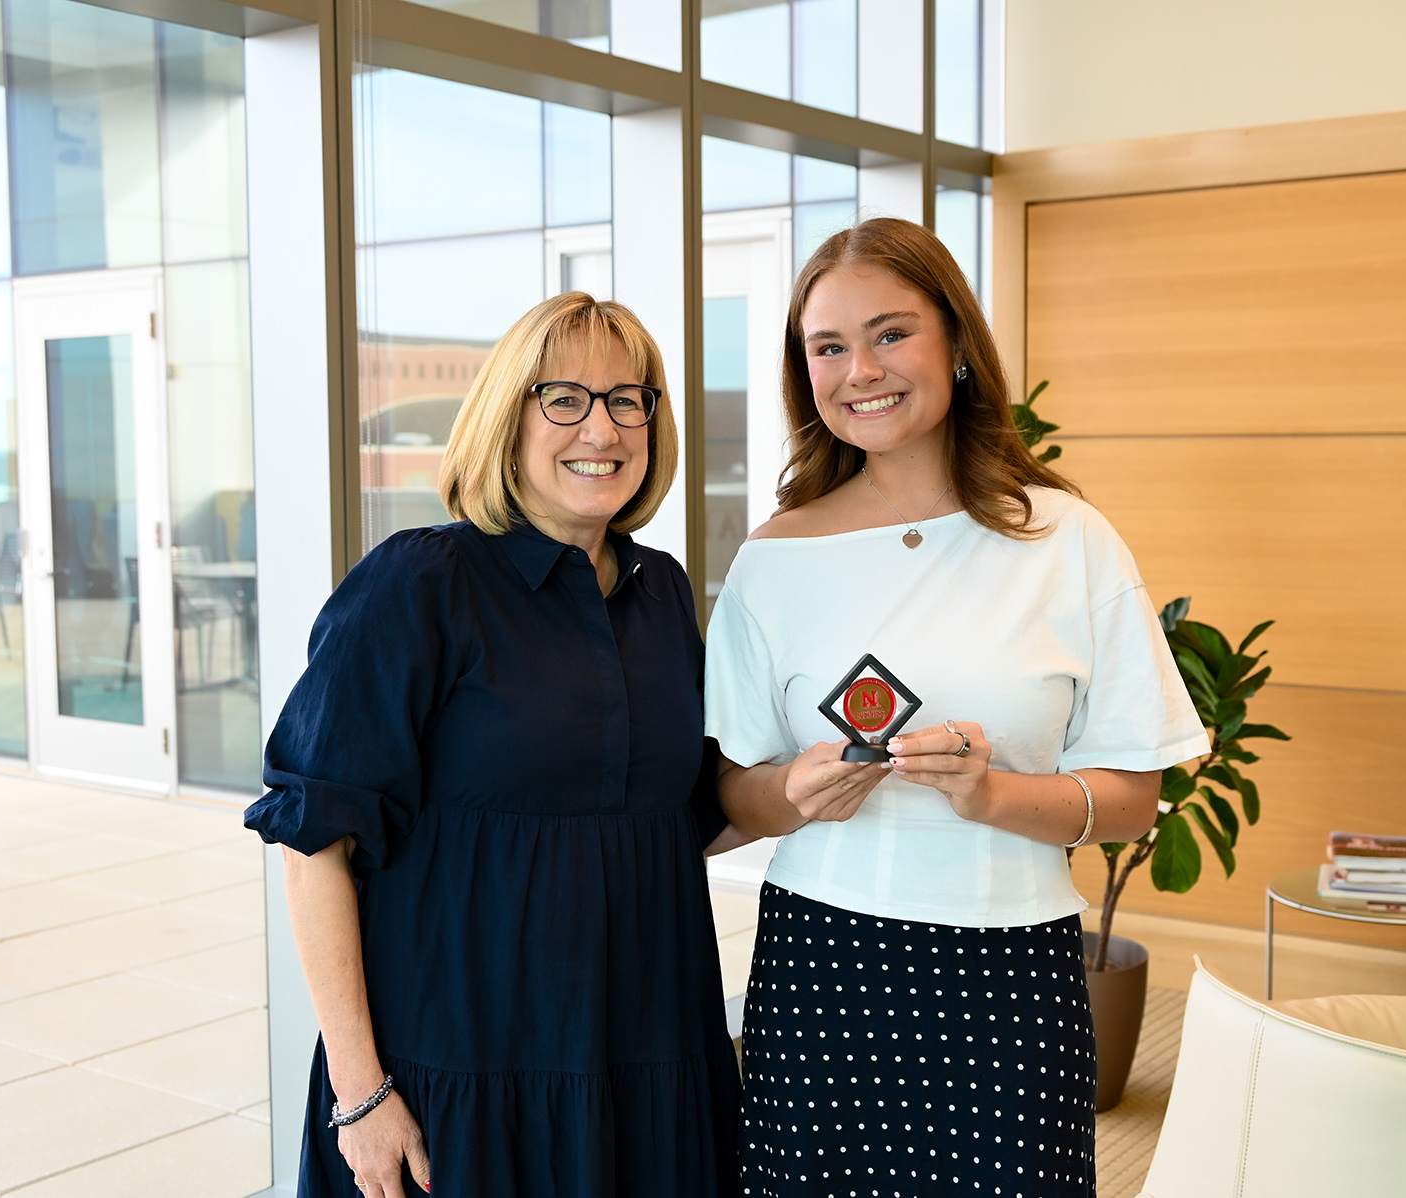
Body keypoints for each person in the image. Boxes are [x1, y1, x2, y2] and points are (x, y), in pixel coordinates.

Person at [707, 218, 1209, 1198]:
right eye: (829, 346)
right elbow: (731, 792)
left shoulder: (1070, 539)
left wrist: (994, 796)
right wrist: (798, 789)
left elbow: (1135, 798)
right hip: (821, 968)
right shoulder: (773, 559)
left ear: (957, 345)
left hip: (1010, 974)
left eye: (892, 333)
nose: (862, 369)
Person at [246, 293, 742, 1198]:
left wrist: (832, 780)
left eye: (630, 399)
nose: (603, 425)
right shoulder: (419, 582)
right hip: (457, 1073)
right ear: (507, 421)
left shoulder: (659, 590)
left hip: (646, 1059)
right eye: (566, 398)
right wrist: (359, 1092)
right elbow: (315, 839)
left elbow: (684, 814)